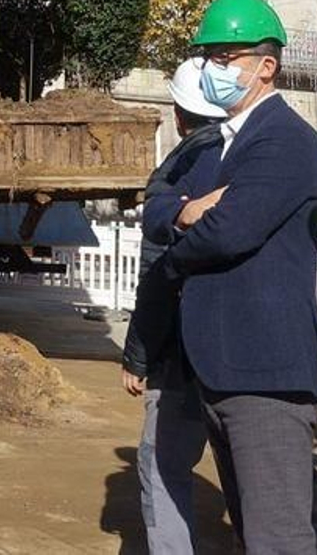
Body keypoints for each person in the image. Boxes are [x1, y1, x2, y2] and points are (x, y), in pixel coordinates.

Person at [158, 0, 317, 554]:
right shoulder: (225, 141)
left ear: (265, 66)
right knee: (250, 534)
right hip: (227, 370)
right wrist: (187, 211)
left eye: (225, 57)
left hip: (266, 377)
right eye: (207, 56)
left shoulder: (284, 140)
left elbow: (229, 232)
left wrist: (179, 238)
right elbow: (161, 201)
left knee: (275, 539)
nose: (212, 68)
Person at [122, 57, 227, 554]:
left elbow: (159, 278)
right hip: (251, 360)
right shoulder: (257, 159)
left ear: (181, 116)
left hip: (185, 356)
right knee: (253, 483)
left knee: (163, 465)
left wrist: (139, 354)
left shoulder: (179, 174)